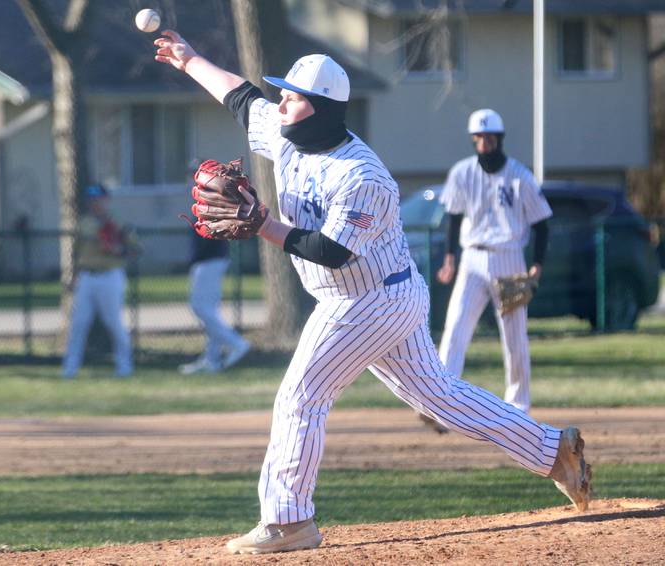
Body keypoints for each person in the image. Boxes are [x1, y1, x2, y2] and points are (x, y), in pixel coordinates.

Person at [154, 31, 590, 555]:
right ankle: (553, 450)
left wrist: (264, 225)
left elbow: (334, 251)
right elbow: (240, 96)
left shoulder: (363, 177)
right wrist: (190, 59)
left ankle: (289, 520)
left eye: (292, 96)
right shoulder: (285, 130)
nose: (280, 101)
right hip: (376, 297)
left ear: (318, 110)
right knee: (443, 399)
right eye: (284, 93)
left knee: (301, 396)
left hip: (369, 300)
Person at [436, 109, 552, 415]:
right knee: (456, 326)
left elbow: (541, 224)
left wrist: (536, 265)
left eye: (489, 136)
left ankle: (518, 404)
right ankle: (442, 401)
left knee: (514, 335)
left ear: (499, 139)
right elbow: (452, 217)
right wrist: (450, 259)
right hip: (472, 258)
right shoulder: (462, 173)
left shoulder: (521, 177)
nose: (483, 142)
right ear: (473, 140)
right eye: (478, 137)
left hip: (510, 259)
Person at [62, 184, 138, 379]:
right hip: (87, 277)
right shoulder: (84, 223)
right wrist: (74, 276)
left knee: (113, 322)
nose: (94, 203)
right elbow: (76, 253)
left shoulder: (118, 222)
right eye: (91, 200)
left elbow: (136, 250)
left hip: (110, 276)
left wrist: (117, 249)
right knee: (79, 323)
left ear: (106, 200)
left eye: (98, 199)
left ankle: (124, 367)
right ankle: (70, 369)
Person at [178, 230, 250, 375]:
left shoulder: (208, 207)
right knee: (209, 310)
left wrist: (196, 257)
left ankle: (236, 343)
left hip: (209, 260)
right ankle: (211, 359)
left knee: (200, 307)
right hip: (210, 259)